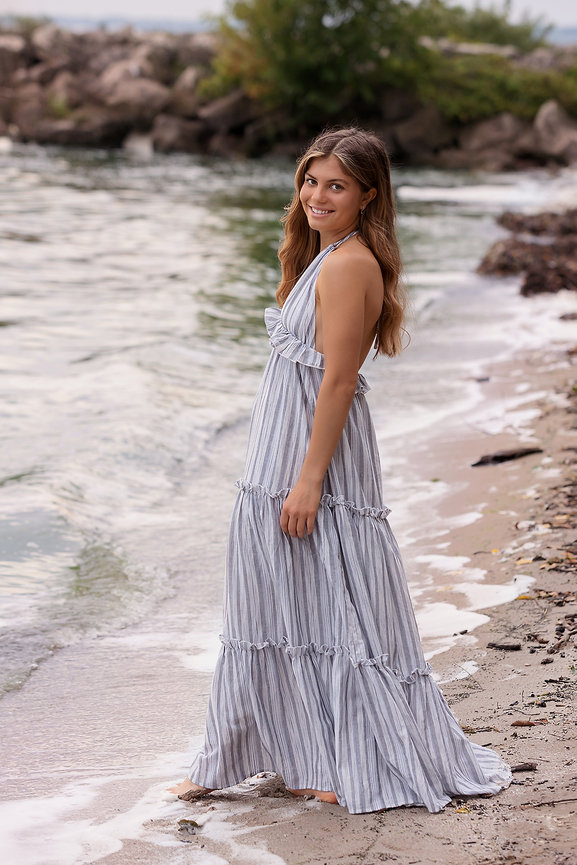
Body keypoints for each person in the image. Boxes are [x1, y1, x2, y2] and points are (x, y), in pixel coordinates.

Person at [170, 127, 512, 814]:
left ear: (367, 195)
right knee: (277, 595)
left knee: (330, 593)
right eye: (310, 180)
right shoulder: (323, 255)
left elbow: (337, 382)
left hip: (309, 454)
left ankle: (337, 756)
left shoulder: (349, 263)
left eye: (335, 185)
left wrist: (309, 479)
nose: (317, 195)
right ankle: (288, 752)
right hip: (280, 448)